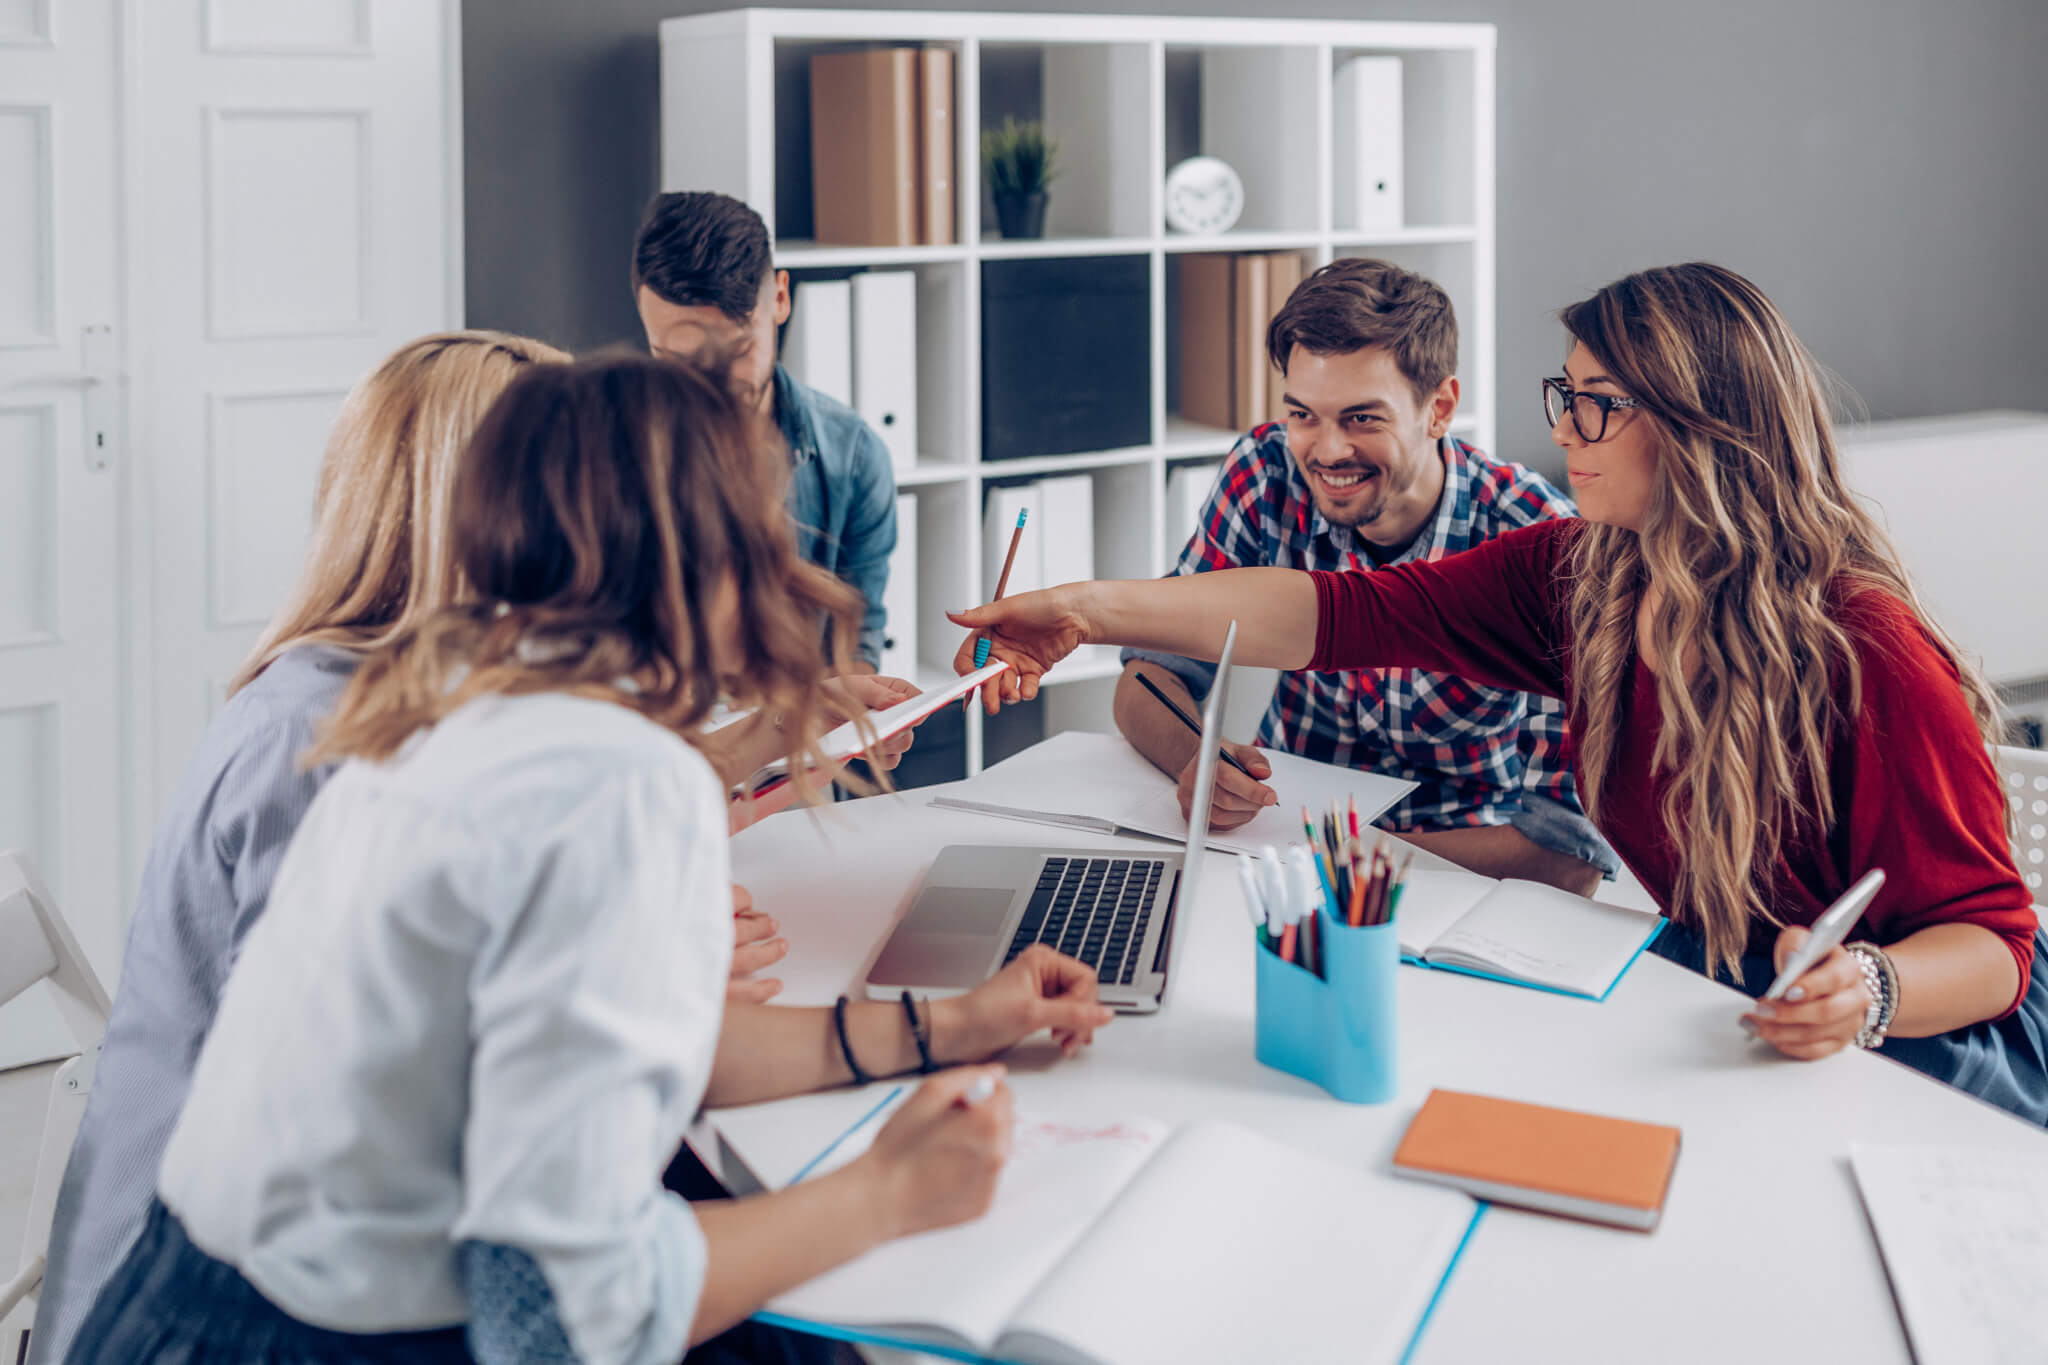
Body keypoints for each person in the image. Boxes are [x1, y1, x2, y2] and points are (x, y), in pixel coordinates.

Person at [65, 354, 1111, 1362]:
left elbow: (655, 1051)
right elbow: (563, 1323)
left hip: (176, 1306)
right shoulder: (614, 780)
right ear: (713, 556)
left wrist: (951, 1025)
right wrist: (888, 1191)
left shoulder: (454, 704)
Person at [951, 262, 2048, 1124]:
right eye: (1561, 396)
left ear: (1696, 426)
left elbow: (1993, 944)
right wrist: (1087, 609)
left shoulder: (1864, 648)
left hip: (1914, 1042)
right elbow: (1328, 615)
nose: (1563, 428)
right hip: (1728, 986)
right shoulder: (1580, 575)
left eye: (1594, 404)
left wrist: (1868, 987)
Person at [1118, 258, 1614, 895]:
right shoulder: (1266, 474)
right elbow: (1148, 676)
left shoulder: (1538, 539)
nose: (1326, 452)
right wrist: (1202, 761)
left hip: (1461, 880)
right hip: (1279, 860)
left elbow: (1565, 855)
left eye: (1361, 418)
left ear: (1439, 408)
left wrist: (1341, 857)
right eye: (1303, 415)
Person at [634, 190, 897, 670]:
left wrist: (859, 711)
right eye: (676, 360)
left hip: (797, 734)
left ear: (779, 298)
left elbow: (857, 639)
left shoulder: (855, 458)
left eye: (735, 351)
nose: (708, 383)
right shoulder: (606, 460)